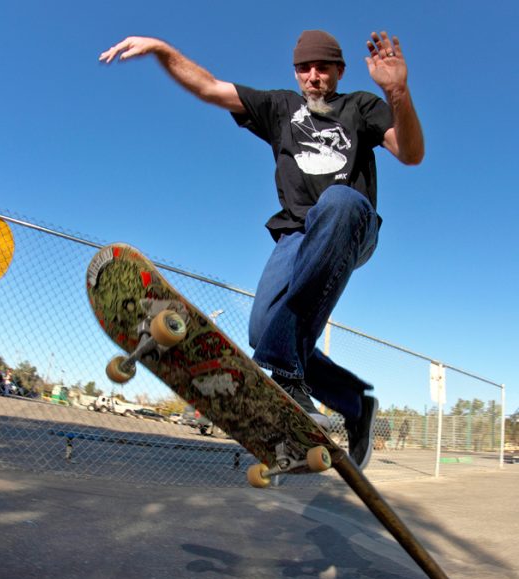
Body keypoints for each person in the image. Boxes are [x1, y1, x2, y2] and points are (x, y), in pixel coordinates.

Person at [99, 29, 424, 468]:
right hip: (295, 234)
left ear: (339, 71)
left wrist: (398, 92)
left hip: (352, 223)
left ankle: (289, 376)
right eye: (305, 69)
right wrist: (161, 48)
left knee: (338, 201)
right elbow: (209, 87)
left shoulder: (361, 106)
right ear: (295, 73)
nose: (313, 77)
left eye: (323, 68)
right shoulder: (278, 108)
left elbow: (410, 152)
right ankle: (354, 403)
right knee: (263, 332)